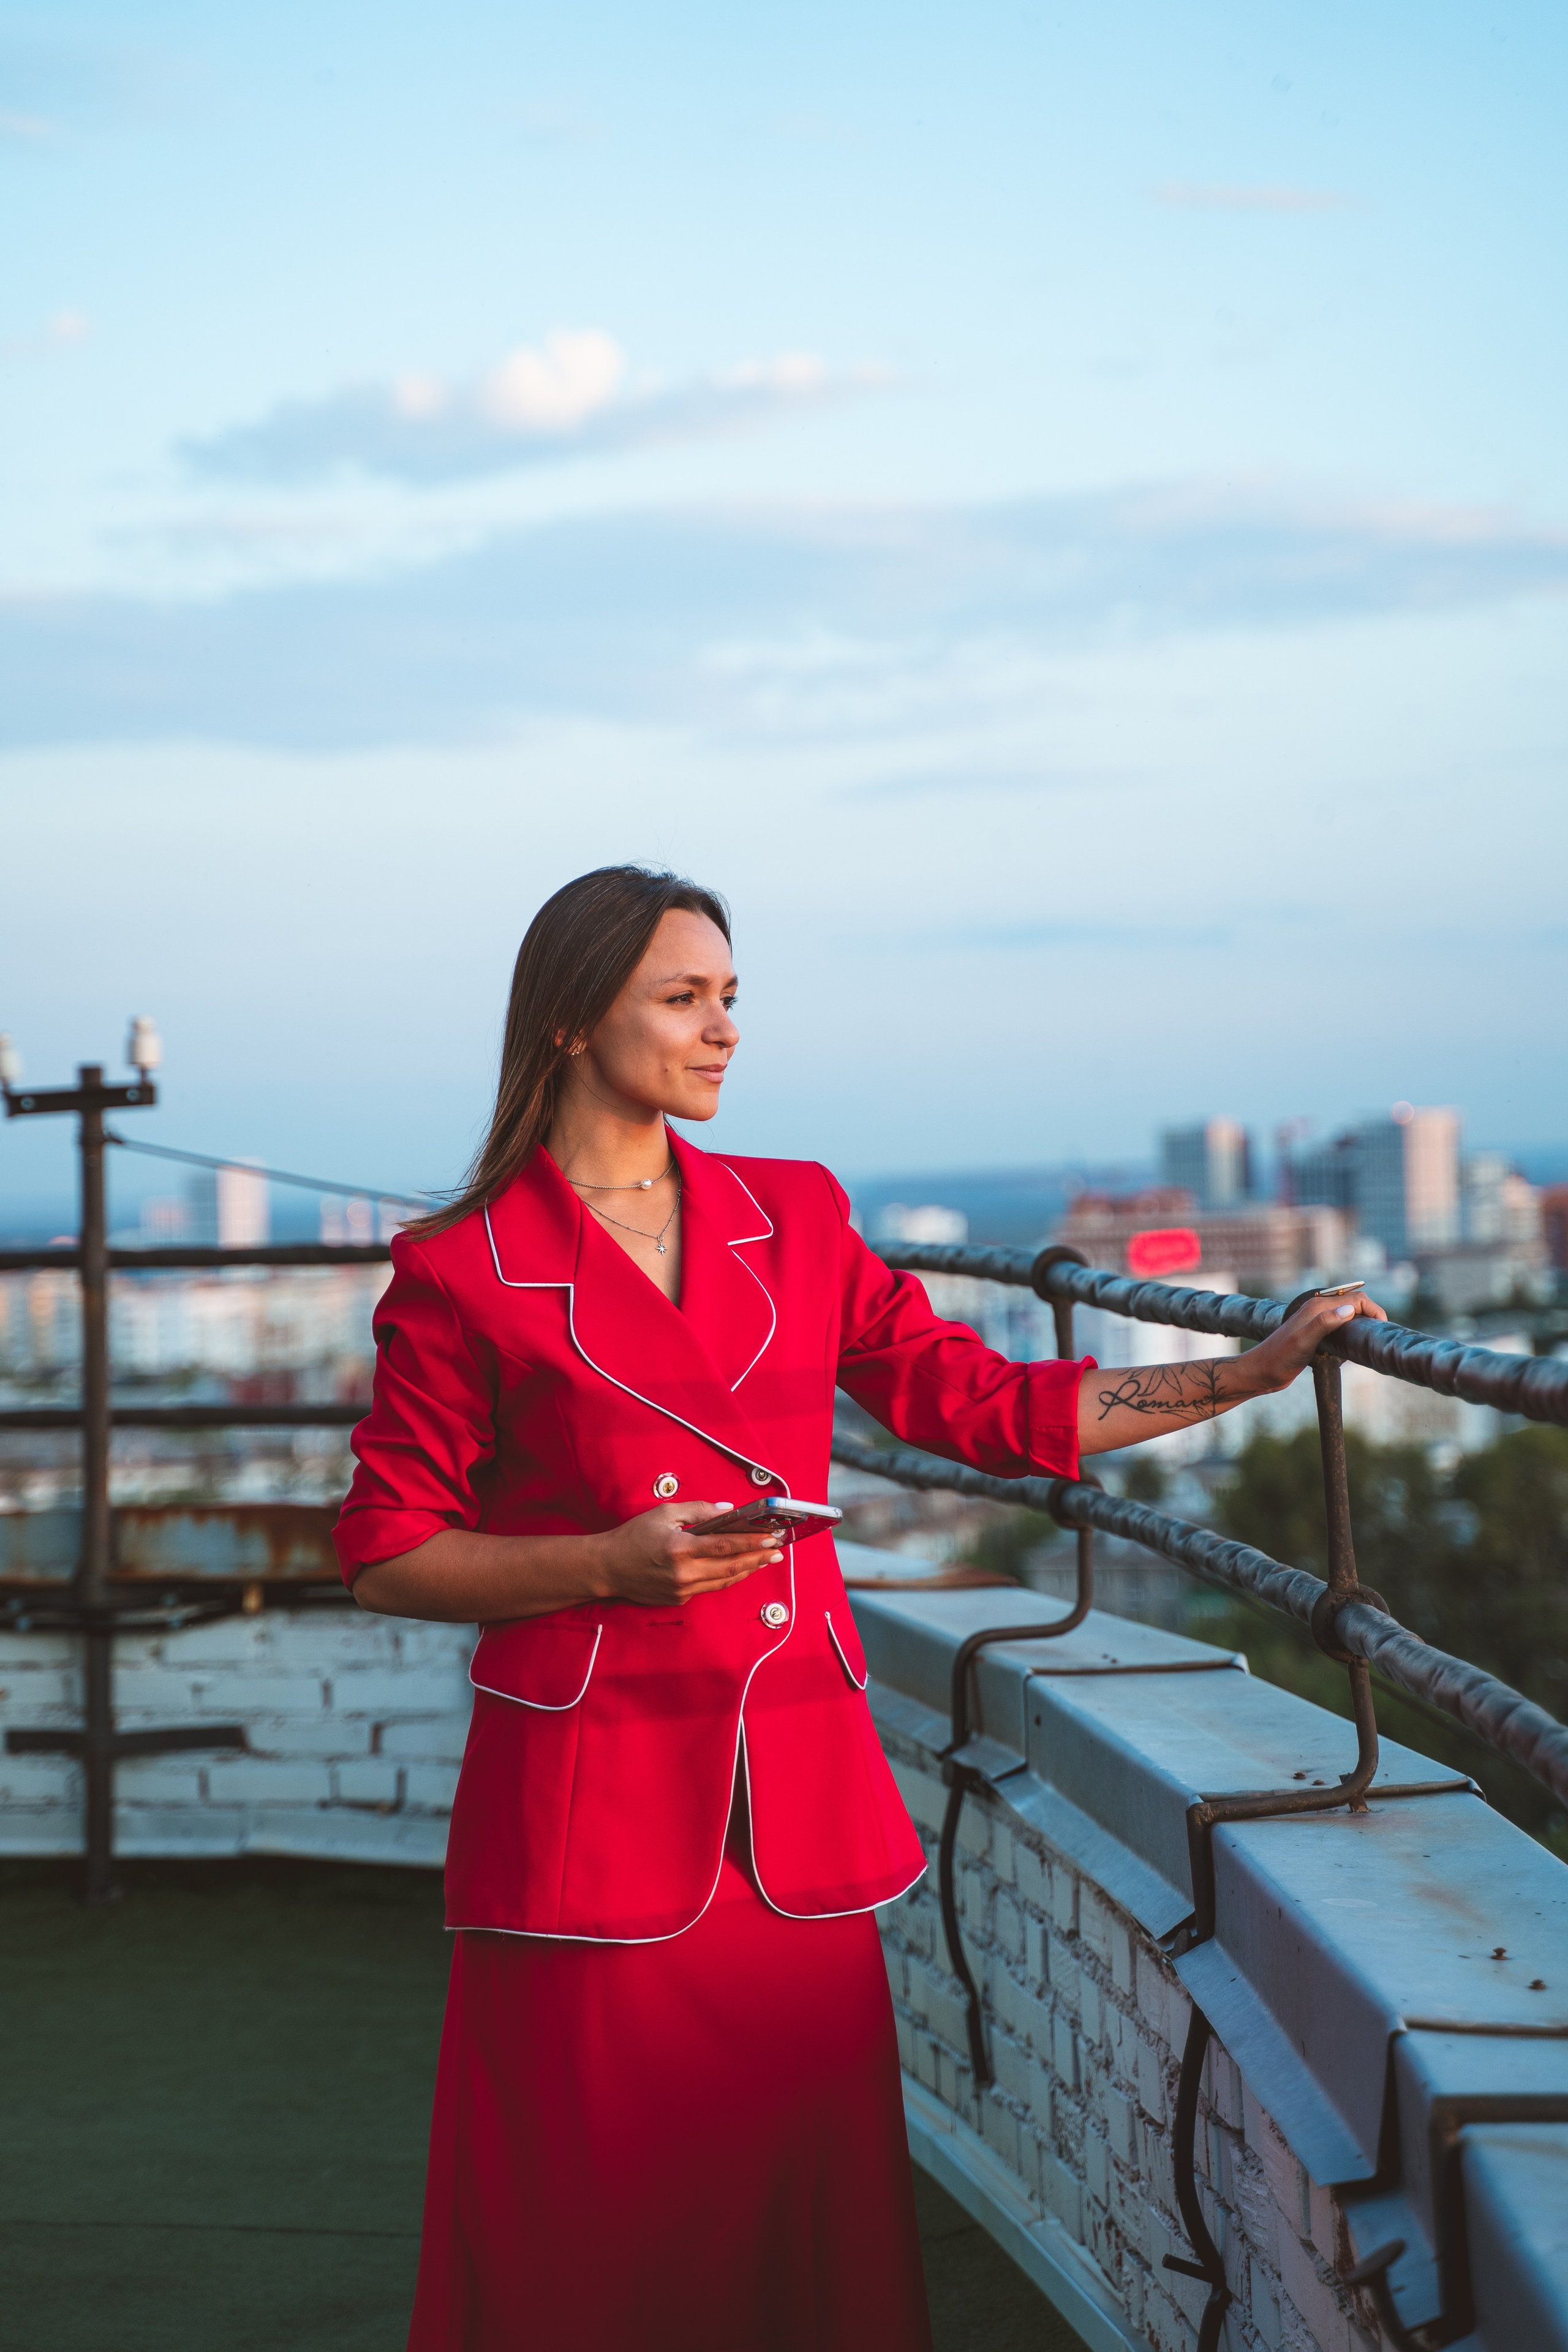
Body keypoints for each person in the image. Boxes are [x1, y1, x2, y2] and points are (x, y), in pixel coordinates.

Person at [337, 864, 1384, 2352]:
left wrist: (1243, 1374)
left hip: (796, 1812)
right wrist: (602, 1565)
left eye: (730, 1000)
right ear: (572, 1019)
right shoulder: (462, 1271)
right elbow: (386, 1550)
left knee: (799, 2207)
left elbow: (979, 1403)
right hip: (586, 1812)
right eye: (682, 999)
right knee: (582, 2217)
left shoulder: (794, 1211)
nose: (722, 1033)